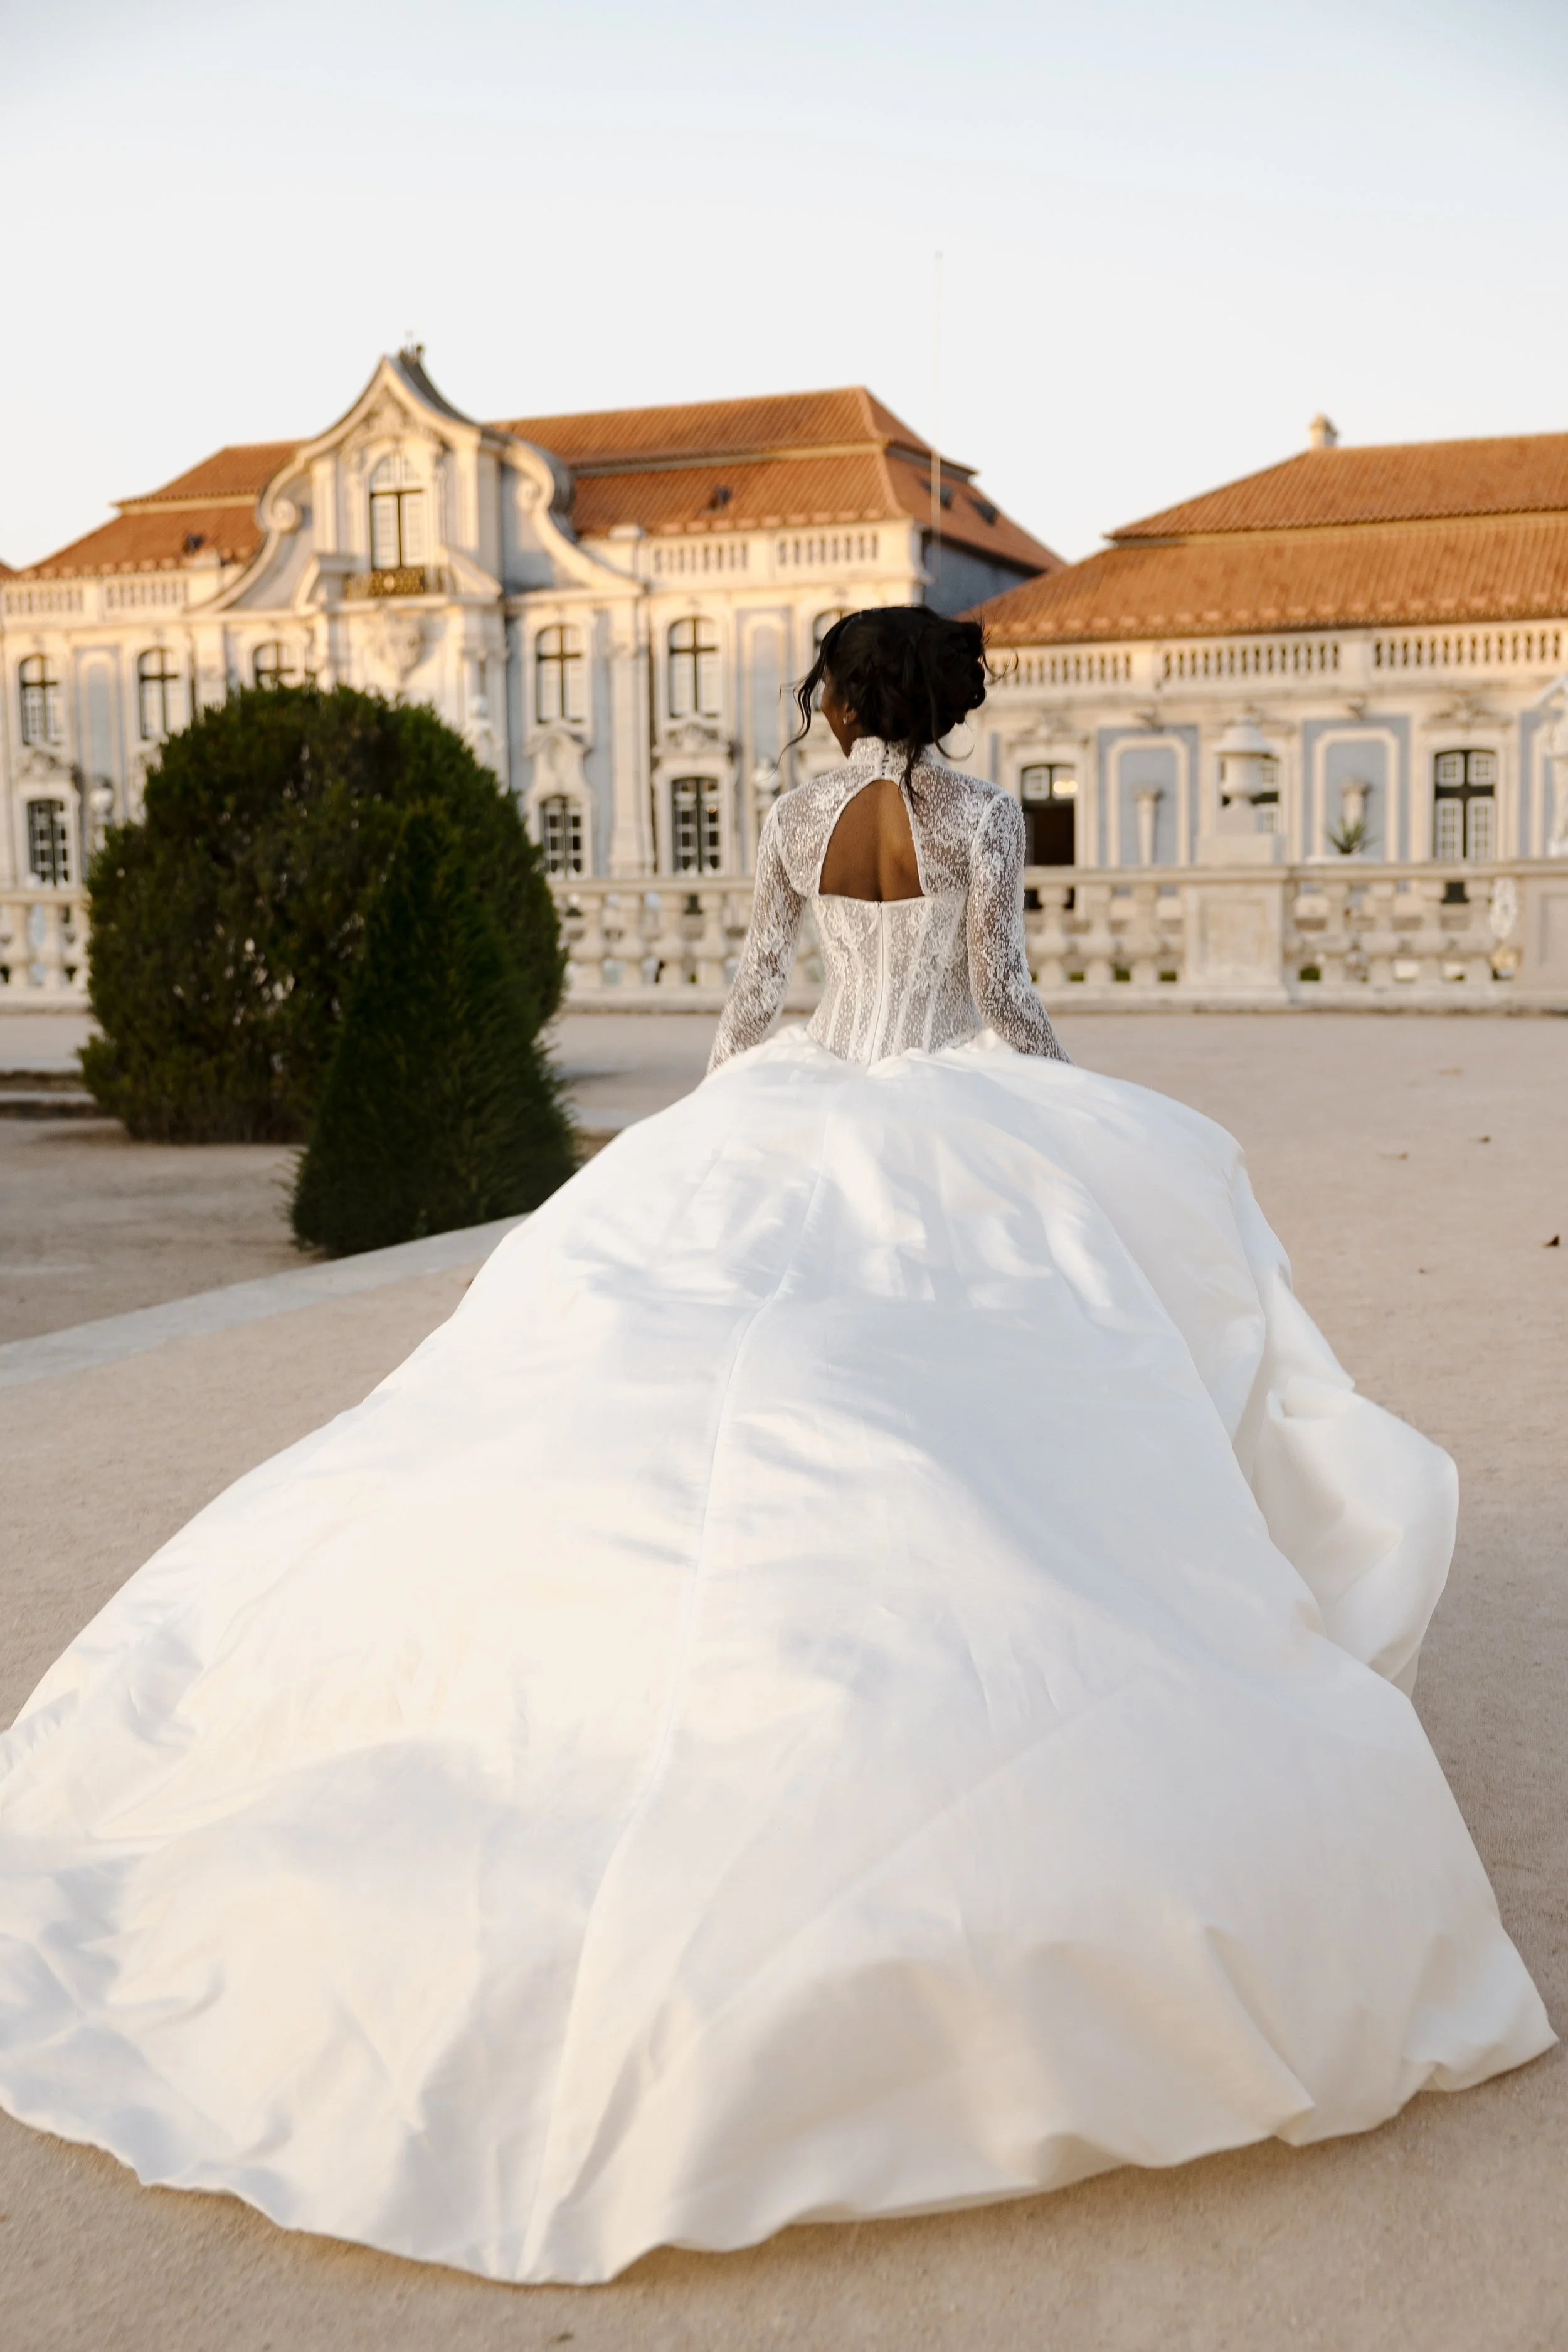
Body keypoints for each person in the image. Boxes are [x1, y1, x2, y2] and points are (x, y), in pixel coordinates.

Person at [0, 607, 1550, 2287]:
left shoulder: (796, 817)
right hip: (943, 1096)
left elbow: (754, 989)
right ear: (942, 701)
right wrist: (1063, 1121)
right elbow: (997, 1000)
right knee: (1071, 1357)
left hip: (802, 1096)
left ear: (839, 700)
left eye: (820, 683)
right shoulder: (970, 820)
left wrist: (733, 1122)